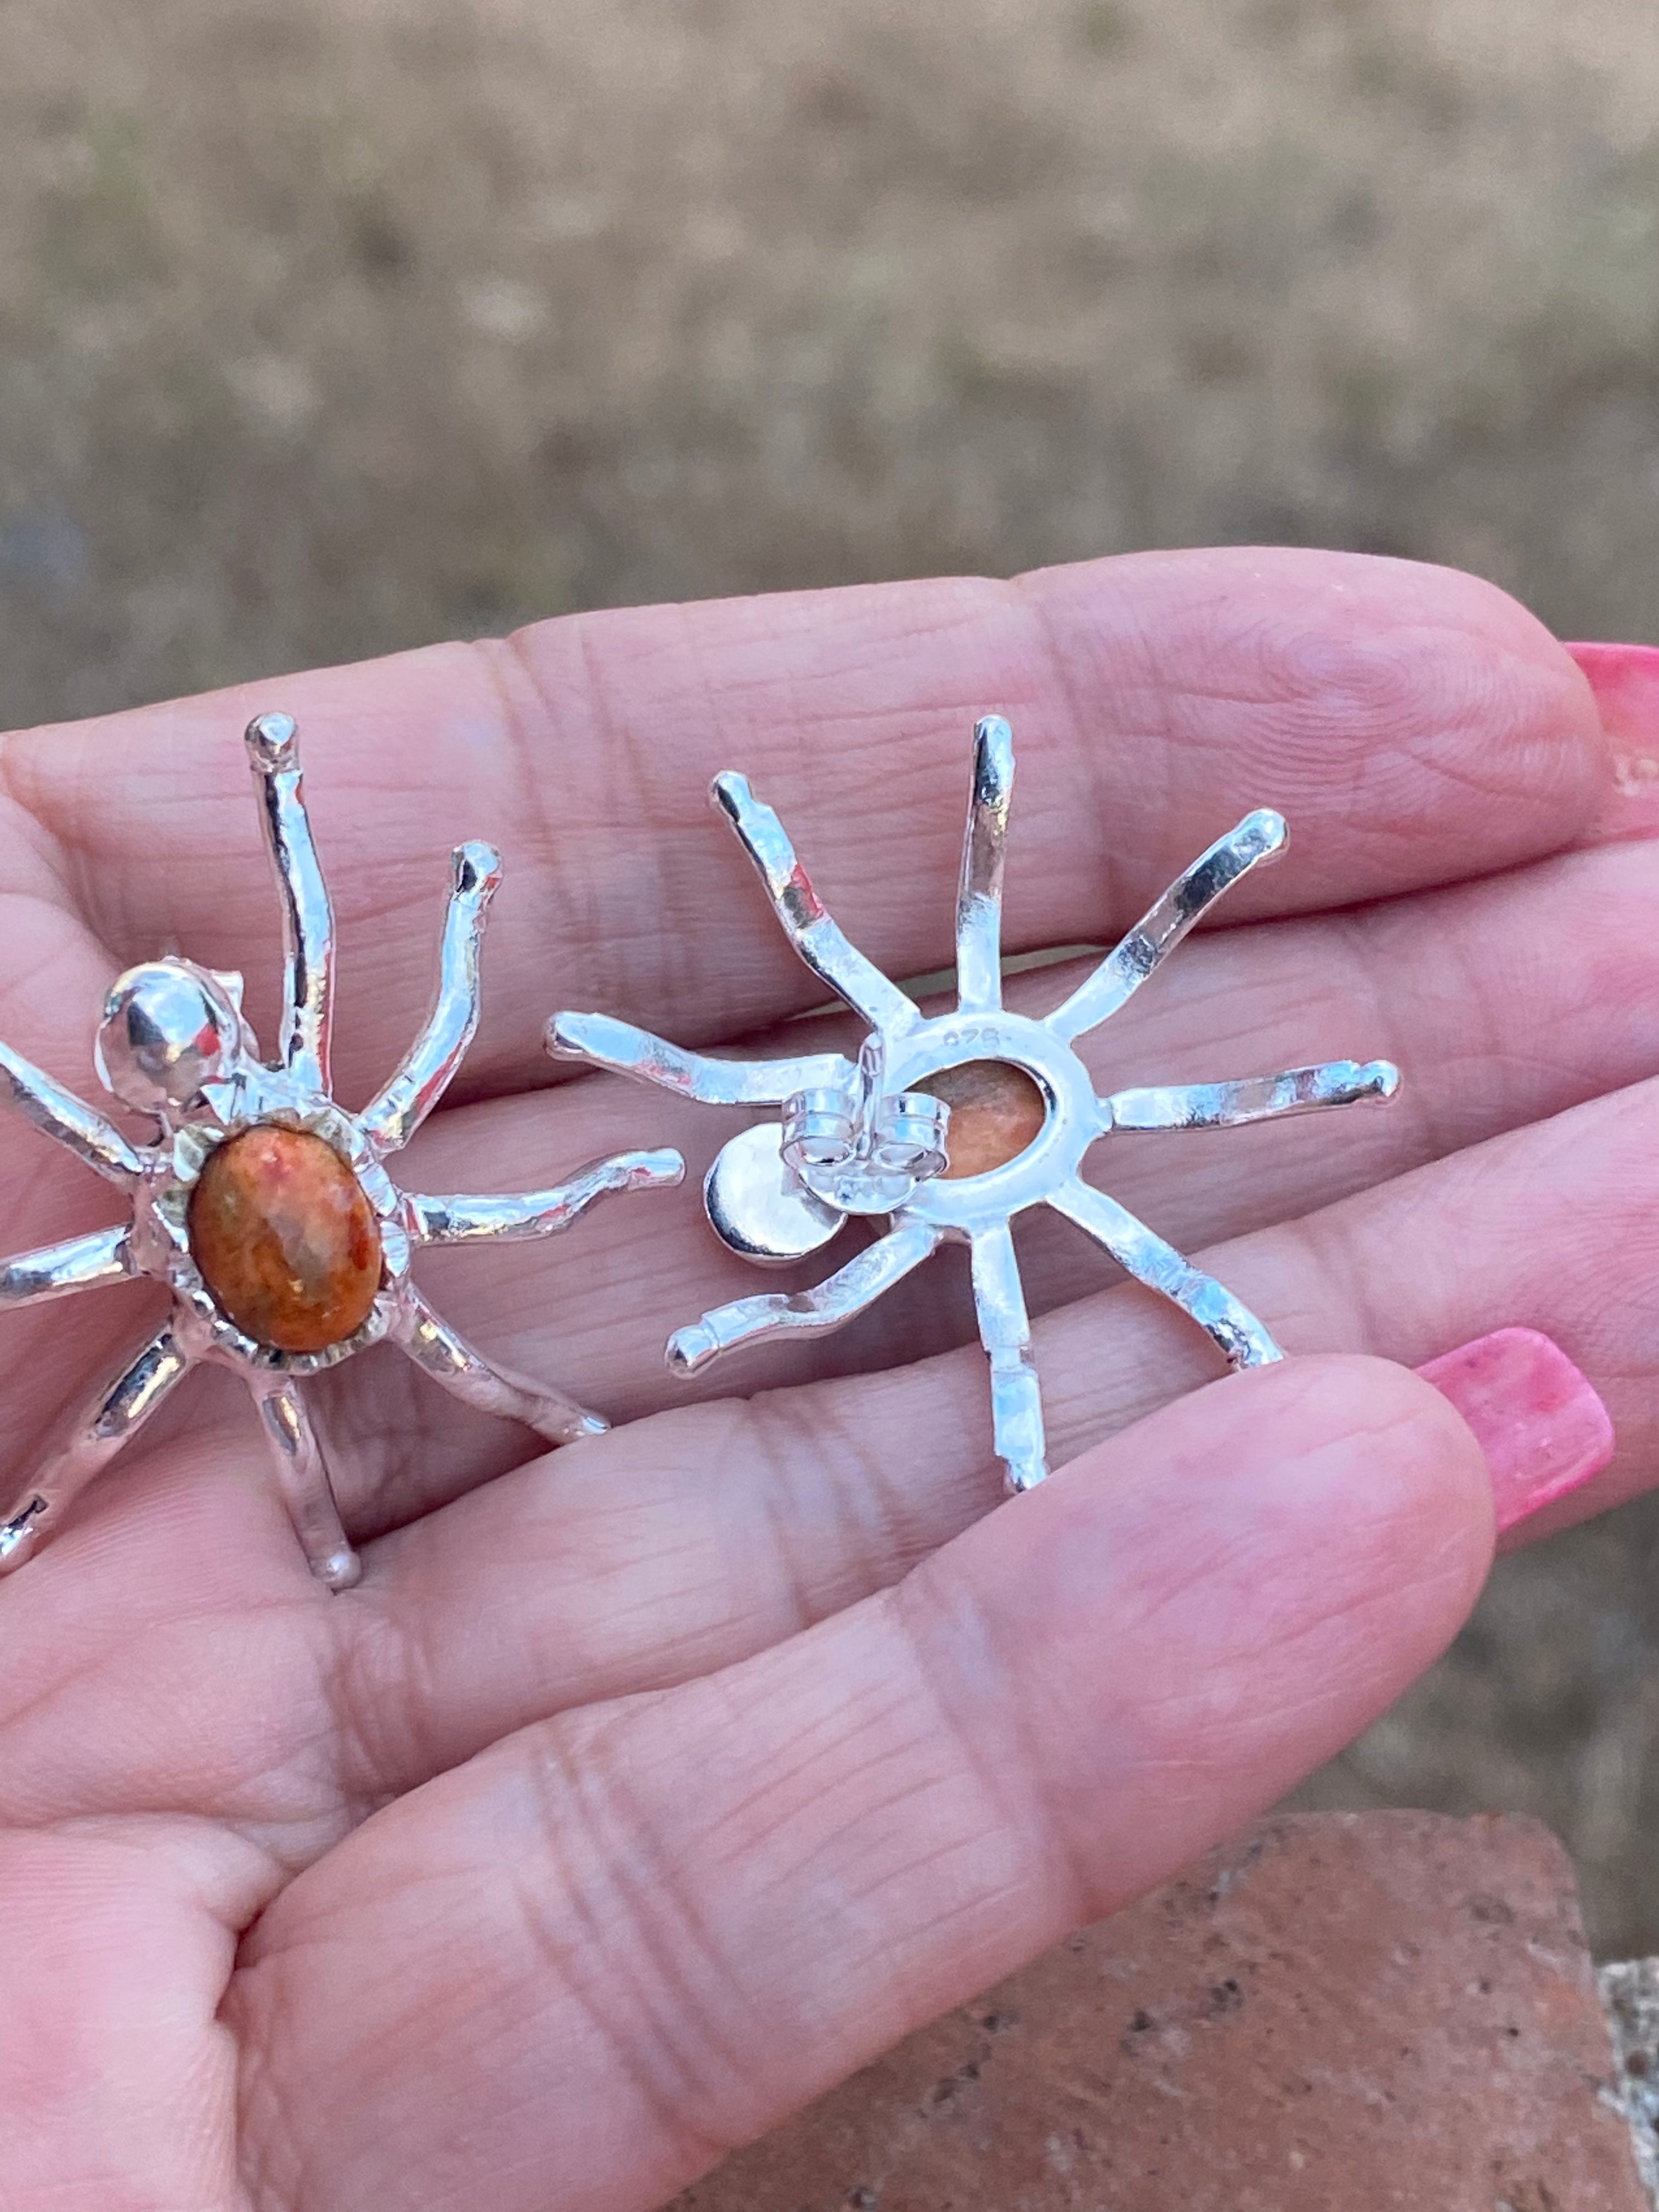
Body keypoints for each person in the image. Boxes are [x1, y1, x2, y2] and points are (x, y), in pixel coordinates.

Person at [0, 545, 1647, 2210]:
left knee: (471, 1340)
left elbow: (356, 974)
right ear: (193, 1038)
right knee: (308, 1367)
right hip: (358, 1268)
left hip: (388, 1258)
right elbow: (332, 991)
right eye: (202, 1016)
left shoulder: (311, 1103)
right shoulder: (217, 1150)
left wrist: (439, 897)